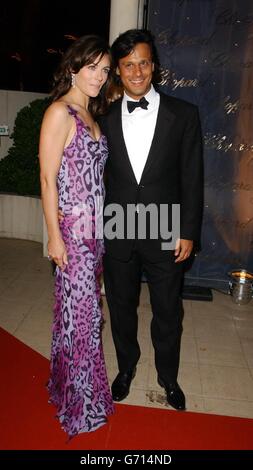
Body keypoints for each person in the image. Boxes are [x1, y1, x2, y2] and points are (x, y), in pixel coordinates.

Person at [99, 29, 203, 411]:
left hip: (165, 225)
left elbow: (193, 177)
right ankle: (126, 368)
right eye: (128, 65)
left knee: (168, 310)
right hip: (119, 225)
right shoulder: (105, 116)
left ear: (153, 66)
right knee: (122, 307)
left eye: (143, 62)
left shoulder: (183, 114)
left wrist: (188, 231)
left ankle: (168, 376)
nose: (137, 71)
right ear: (119, 72)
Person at [39, 35, 114, 438]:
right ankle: (79, 401)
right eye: (92, 67)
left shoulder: (91, 117)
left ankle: (72, 387)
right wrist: (54, 237)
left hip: (94, 233)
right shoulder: (60, 113)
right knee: (82, 317)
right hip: (72, 233)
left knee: (83, 315)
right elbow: (48, 179)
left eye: (104, 70)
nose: (99, 77)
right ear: (73, 67)